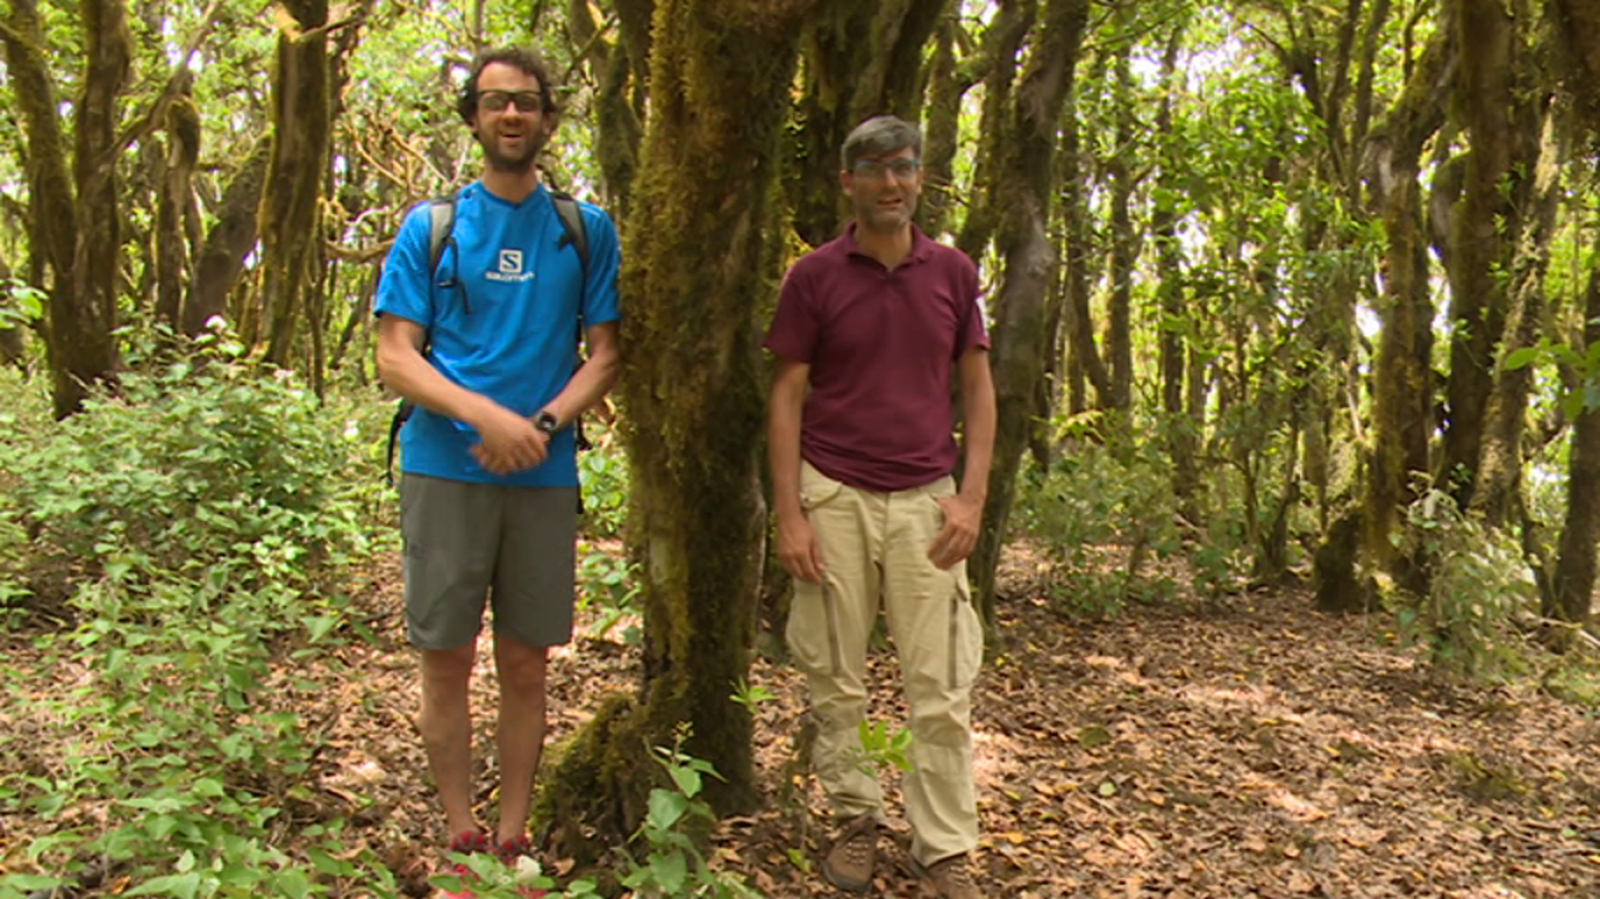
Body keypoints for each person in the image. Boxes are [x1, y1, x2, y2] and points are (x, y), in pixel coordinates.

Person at [374, 46, 621, 889]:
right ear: (474, 119)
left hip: (544, 476)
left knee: (526, 658)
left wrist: (543, 424)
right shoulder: (432, 226)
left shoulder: (583, 229)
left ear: (549, 119)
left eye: (526, 102)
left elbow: (605, 353)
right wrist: (486, 416)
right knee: (444, 653)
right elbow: (396, 356)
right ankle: (459, 828)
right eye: (493, 102)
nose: (510, 115)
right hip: (445, 466)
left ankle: (513, 831)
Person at [764, 115, 995, 899]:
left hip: (928, 499)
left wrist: (971, 495)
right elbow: (787, 393)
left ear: (920, 178)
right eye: (874, 168)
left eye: (904, 167)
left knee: (941, 683)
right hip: (833, 491)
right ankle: (855, 817)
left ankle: (944, 850)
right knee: (835, 672)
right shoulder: (814, 276)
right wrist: (790, 511)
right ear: (848, 181)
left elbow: (978, 387)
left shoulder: (954, 273)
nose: (891, 182)